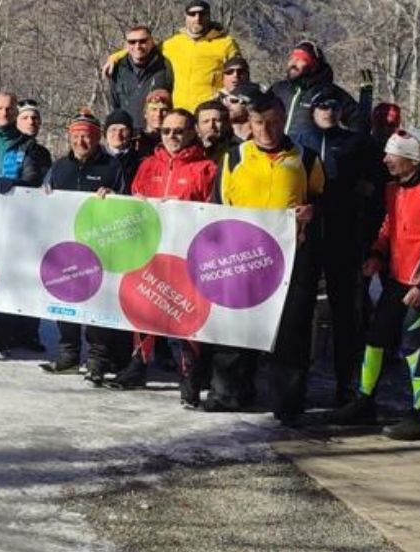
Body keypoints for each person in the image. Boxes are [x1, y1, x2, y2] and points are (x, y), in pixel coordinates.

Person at [215, 92, 325, 422]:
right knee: (236, 327)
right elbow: (218, 206)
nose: (267, 130)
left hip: (291, 261)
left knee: (291, 333)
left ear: (283, 121)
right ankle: (230, 392)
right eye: (260, 123)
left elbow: (325, 201)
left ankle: (288, 403)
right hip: (241, 258)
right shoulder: (234, 157)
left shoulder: (305, 157)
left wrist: (312, 211)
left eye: (274, 122)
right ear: (249, 123)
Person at [331, 128, 420, 441]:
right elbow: (388, 227)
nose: (385, 161)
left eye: (391, 155)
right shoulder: (392, 189)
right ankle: (364, 401)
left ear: (411, 158)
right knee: (375, 338)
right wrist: (377, 254)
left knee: (412, 344)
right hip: (397, 277)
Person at [112, 109, 218, 399]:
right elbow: (134, 199)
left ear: (192, 132)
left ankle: (190, 374)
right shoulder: (148, 164)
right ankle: (138, 363)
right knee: (145, 303)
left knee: (186, 310)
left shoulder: (206, 167)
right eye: (166, 131)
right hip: (153, 246)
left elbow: (213, 210)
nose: (172, 136)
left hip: (186, 252)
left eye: (179, 130)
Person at [295, 91, 387, 406]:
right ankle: (297, 381)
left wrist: (372, 237)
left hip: (344, 236)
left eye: (335, 106)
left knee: (345, 313)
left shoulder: (357, 143)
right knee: (301, 310)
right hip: (306, 238)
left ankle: (345, 382)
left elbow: (378, 188)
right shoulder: (298, 140)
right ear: (311, 109)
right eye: (322, 105)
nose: (328, 111)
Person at [40, 112, 132, 381]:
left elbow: (127, 203)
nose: (81, 141)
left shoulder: (112, 167)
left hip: (99, 246)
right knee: (64, 300)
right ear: (69, 137)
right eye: (77, 135)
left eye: (87, 136)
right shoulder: (58, 167)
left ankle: (97, 358)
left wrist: (115, 199)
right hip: (65, 246)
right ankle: (68, 353)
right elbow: (42, 198)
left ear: (97, 138)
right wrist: (43, 196)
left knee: (97, 303)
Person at [0, 91, 52, 360]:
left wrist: (16, 184)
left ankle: (1, 334)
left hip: (15, 222)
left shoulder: (26, 145)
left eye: (9, 109)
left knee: (8, 277)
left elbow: (32, 177)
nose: (4, 113)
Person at [103, 0, 240, 111]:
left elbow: (239, 73)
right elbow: (143, 48)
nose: (197, 18)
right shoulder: (172, 44)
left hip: (210, 111)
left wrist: (225, 96)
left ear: (209, 16)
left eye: (202, 14)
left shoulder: (226, 43)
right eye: (192, 14)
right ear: (185, 17)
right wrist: (115, 57)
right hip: (178, 112)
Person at [272, 41, 360, 138]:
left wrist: (345, 147)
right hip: (280, 152)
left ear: (313, 65)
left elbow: (358, 120)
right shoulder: (279, 89)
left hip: (311, 152)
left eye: (300, 59)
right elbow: (257, 113)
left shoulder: (328, 92)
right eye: (292, 58)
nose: (293, 63)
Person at [108, 26, 174, 114]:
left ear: (151, 42)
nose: (137, 46)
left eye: (142, 41)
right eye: (132, 42)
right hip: (128, 126)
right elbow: (115, 104)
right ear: (126, 45)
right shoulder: (117, 69)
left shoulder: (165, 66)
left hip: (157, 125)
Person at [195, 99, 236, 163]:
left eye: (217, 121)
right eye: (206, 121)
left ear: (226, 123)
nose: (211, 125)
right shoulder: (190, 154)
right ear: (197, 128)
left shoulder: (236, 152)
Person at [139, 90, 172, 156]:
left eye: (164, 110)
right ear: (145, 113)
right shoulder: (135, 140)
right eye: (154, 109)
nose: (158, 114)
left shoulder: (173, 139)